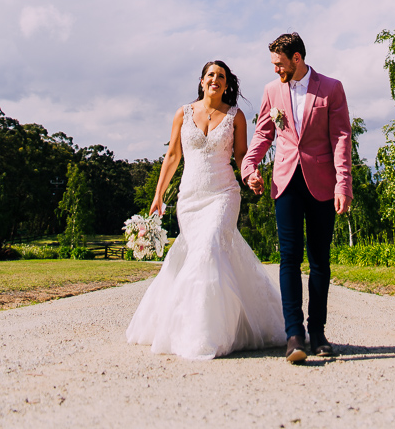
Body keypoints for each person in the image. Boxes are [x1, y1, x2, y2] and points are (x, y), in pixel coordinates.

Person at [126, 60, 286, 360]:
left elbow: (240, 156)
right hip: (190, 198)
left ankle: (206, 334)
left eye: (221, 76)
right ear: (202, 81)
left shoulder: (236, 117)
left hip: (223, 195)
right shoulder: (183, 113)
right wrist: (159, 194)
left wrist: (250, 174)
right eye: (210, 75)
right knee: (197, 253)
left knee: (209, 248)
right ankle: (188, 325)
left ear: (227, 84)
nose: (215, 79)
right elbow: (173, 154)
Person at [241, 33, 353, 363]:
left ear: (297, 59)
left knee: (320, 260)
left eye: (279, 64)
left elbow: (342, 138)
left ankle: (317, 333)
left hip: (322, 182)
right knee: (289, 257)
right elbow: (263, 133)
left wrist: (342, 185)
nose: (276, 70)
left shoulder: (331, 88)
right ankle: (294, 335)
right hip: (286, 181)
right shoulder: (272, 91)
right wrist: (250, 168)